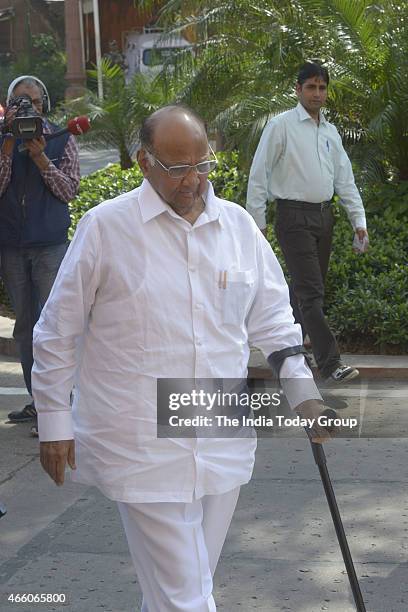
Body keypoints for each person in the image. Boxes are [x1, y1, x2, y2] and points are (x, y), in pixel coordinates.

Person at [32, 105, 331, 612]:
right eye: (176, 168)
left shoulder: (237, 228)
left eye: (202, 164)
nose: (193, 180)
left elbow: (274, 322)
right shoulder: (107, 228)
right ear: (144, 162)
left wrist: (304, 394)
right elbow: (58, 330)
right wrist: (54, 422)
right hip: (140, 440)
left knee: (180, 590)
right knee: (186, 598)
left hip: (221, 439)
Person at [246, 61, 369, 384]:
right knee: (311, 293)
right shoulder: (281, 126)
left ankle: (289, 340)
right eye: (311, 87)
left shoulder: (329, 132)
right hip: (292, 216)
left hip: (324, 217)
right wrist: (256, 224)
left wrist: (359, 220)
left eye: (322, 87)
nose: (317, 93)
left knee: (307, 289)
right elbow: (259, 175)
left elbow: (345, 180)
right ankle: (331, 364)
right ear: (297, 89)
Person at [0, 75, 80, 433]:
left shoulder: (61, 138)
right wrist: (7, 145)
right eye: (19, 101)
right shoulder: (2, 138)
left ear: (44, 103)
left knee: (53, 328)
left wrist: (40, 157)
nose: (26, 107)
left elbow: (69, 191)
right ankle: (39, 401)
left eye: (32, 100)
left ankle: (60, 406)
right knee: (25, 329)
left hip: (49, 247)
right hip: (12, 248)